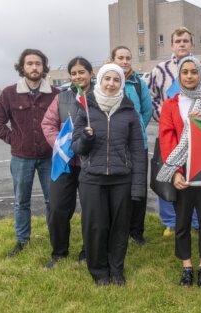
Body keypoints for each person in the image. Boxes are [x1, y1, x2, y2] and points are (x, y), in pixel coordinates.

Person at [72, 64, 146, 286]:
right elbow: (76, 147)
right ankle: (99, 272)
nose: (111, 83)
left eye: (116, 80)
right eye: (107, 79)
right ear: (100, 80)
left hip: (121, 178)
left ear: (121, 83)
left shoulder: (129, 111)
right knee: (95, 227)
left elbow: (137, 151)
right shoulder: (86, 107)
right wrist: (85, 139)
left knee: (119, 227)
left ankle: (116, 269)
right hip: (92, 178)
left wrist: (138, 187)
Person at [158, 56, 201, 288]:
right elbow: (167, 139)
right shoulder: (170, 104)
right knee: (183, 220)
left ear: (200, 74)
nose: (189, 76)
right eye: (184, 72)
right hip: (182, 169)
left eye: (193, 72)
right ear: (179, 75)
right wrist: (175, 172)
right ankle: (187, 266)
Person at [149, 26, 201, 236]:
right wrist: (164, 116)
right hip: (170, 132)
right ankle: (171, 221)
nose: (182, 44)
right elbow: (152, 97)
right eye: (178, 41)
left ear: (191, 44)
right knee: (168, 174)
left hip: (198, 135)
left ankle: (197, 222)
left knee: (197, 176)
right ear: (172, 45)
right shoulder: (159, 70)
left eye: (185, 41)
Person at [0, 49, 59, 258]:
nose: (34, 67)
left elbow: (64, 123)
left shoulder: (56, 94)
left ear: (44, 67)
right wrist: (15, 140)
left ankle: (55, 238)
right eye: (29, 63)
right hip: (21, 158)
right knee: (21, 201)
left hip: (49, 157)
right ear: (22, 67)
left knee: (52, 201)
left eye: (38, 63)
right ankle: (22, 240)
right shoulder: (9, 93)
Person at [41, 57, 93, 268]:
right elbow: (48, 124)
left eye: (82, 72)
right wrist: (61, 146)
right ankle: (59, 252)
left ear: (90, 73)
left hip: (91, 164)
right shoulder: (61, 98)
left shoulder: (100, 96)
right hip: (66, 163)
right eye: (74, 73)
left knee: (91, 210)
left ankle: (88, 251)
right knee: (57, 208)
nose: (78, 76)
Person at [111, 46, 152, 246]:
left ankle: (136, 231)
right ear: (112, 60)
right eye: (121, 58)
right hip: (114, 145)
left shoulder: (138, 83)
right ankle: (119, 227)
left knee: (138, 187)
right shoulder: (107, 82)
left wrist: (137, 130)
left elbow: (147, 110)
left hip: (138, 145)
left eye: (128, 58)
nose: (125, 61)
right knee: (119, 188)